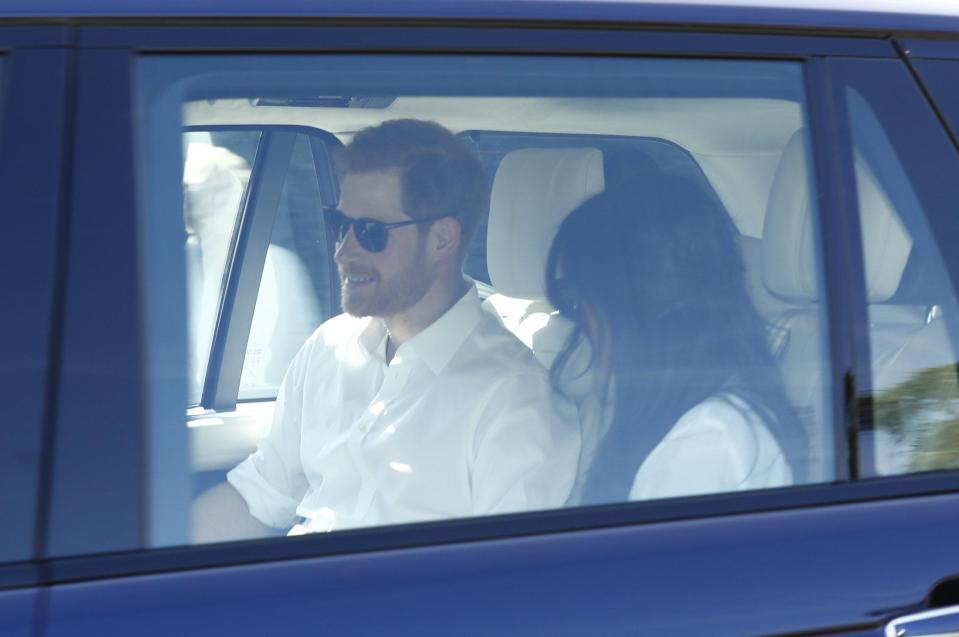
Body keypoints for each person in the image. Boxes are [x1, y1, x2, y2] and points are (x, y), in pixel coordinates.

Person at [193, 119, 579, 541]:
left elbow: (505, 585)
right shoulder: (327, 348)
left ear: (442, 239)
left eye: (370, 232)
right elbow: (259, 497)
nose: (343, 252)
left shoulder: (515, 401)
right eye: (340, 225)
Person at [544, 176, 806, 506]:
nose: (579, 319)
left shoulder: (706, 439)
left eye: (579, 297)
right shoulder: (699, 420)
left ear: (628, 303)